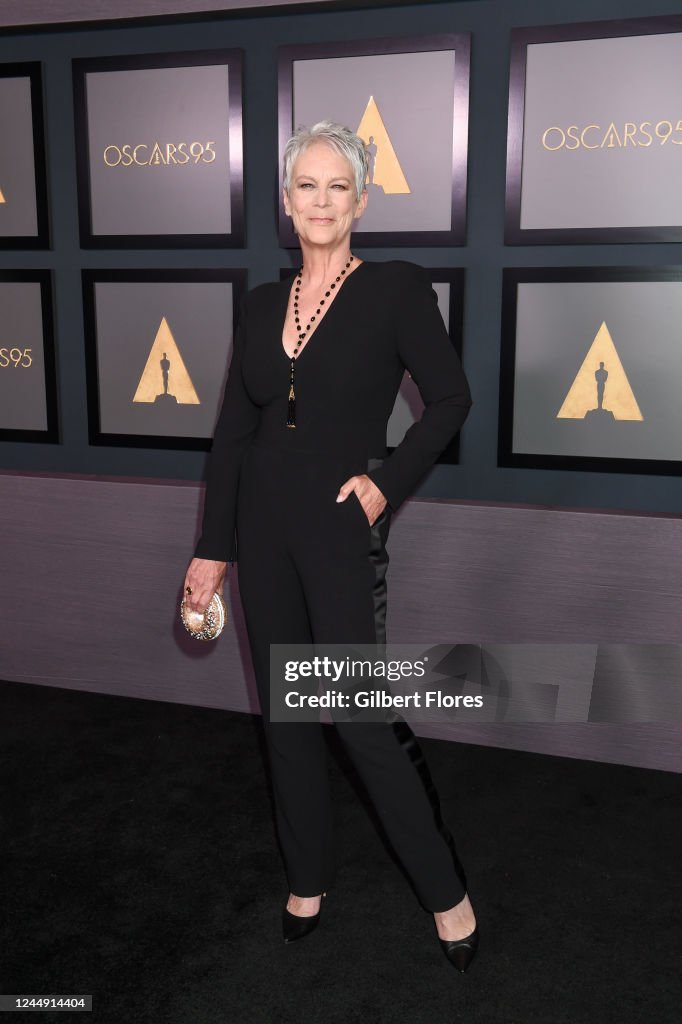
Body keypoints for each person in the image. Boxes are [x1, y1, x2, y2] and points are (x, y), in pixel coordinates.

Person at [182, 121, 477, 972]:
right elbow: (233, 437)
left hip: (340, 530)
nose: (319, 201)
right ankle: (306, 876)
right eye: (305, 186)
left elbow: (451, 399)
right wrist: (213, 551)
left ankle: (445, 892)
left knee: (355, 714)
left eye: (336, 186)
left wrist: (385, 484)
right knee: (287, 715)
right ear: (286, 201)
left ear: (361, 199)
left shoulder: (393, 287)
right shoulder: (261, 303)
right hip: (262, 535)